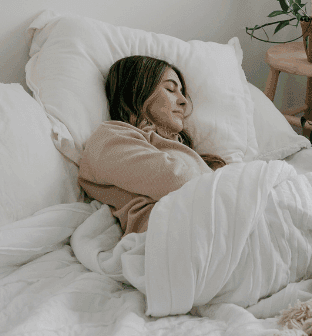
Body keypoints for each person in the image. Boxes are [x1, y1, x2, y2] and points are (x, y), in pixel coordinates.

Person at [78, 55, 226, 236]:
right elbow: (177, 181)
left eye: (182, 92)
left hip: (213, 222)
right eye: (170, 89)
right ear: (137, 91)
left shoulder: (180, 151)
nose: (183, 101)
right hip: (179, 231)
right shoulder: (108, 138)